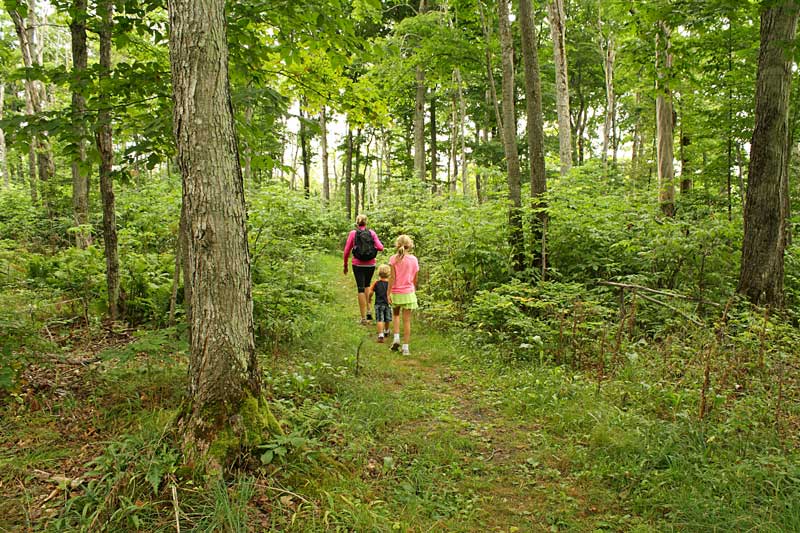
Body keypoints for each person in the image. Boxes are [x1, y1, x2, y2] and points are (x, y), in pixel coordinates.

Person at [343, 214, 384, 324]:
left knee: (360, 288)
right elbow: (380, 247)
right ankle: (369, 311)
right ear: (366, 223)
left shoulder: (353, 233)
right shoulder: (372, 233)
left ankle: (363, 318)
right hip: (370, 264)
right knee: (367, 285)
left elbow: (346, 251)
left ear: (357, 223)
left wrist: (345, 265)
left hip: (358, 264)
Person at [387, 235, 419, 356]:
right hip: (409, 292)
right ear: (410, 245)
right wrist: (413, 289)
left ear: (397, 244)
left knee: (395, 315)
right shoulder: (414, 260)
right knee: (407, 321)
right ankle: (406, 348)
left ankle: (396, 338)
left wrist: (388, 292)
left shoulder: (393, 259)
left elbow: (392, 277)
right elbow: (415, 278)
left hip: (396, 292)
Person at [365, 264, 392, 342]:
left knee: (379, 319)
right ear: (389, 274)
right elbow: (392, 293)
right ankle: (386, 331)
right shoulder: (390, 284)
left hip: (378, 304)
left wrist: (369, 299)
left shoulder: (376, 283)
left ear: (378, 273)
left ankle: (380, 335)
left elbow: (370, 292)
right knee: (387, 319)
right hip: (388, 304)